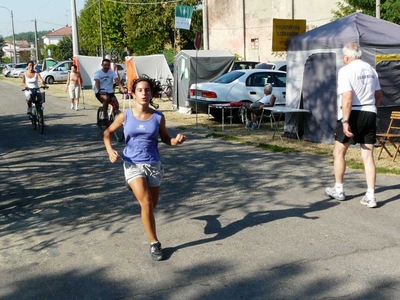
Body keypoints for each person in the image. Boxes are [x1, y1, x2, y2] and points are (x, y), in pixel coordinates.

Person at [103, 76, 186, 261]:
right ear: (133, 93)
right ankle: (154, 243)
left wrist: (175, 141)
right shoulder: (125, 116)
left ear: (151, 94)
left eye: (147, 90)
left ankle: (137, 189)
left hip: (153, 164)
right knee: (147, 203)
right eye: (140, 90)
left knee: (150, 207)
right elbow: (107, 133)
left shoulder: (158, 117)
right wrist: (110, 151)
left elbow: (165, 138)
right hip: (132, 163)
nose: (144, 93)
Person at [325, 42, 383, 208]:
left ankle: (339, 189)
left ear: (346, 57)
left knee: (339, 152)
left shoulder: (346, 70)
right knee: (367, 156)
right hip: (370, 112)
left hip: (353, 113)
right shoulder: (371, 69)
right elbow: (379, 95)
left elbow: (347, 98)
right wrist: (373, 110)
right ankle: (371, 195)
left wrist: (345, 121)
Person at [93, 58, 125, 124]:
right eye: (105, 65)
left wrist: (122, 88)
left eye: (108, 65)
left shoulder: (112, 72)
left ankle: (112, 117)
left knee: (116, 104)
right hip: (100, 91)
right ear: (102, 65)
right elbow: (97, 82)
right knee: (106, 99)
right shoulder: (98, 73)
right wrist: (99, 90)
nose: (107, 67)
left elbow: (117, 80)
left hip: (109, 92)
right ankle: (105, 117)